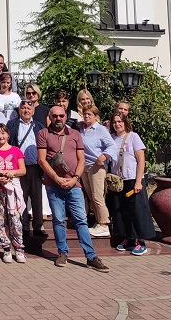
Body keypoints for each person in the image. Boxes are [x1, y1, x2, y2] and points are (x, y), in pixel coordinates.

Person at [37, 106, 109, 272]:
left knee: (81, 220)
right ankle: (62, 253)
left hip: (74, 184)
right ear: (50, 117)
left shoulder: (75, 134)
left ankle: (91, 256)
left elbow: (81, 159)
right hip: (53, 184)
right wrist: (57, 179)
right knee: (58, 220)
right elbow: (42, 160)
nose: (58, 118)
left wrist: (75, 178)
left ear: (65, 117)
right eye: (55, 116)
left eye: (61, 116)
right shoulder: (43, 134)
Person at [106, 112, 155, 256]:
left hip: (132, 179)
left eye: (120, 121)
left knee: (137, 210)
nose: (117, 124)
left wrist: (138, 181)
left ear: (125, 122)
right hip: (117, 181)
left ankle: (141, 242)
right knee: (121, 211)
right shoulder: (112, 138)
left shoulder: (134, 137)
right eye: (114, 122)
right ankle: (129, 238)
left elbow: (141, 160)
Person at [6, 100, 46, 238]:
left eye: (29, 108)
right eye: (23, 108)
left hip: (36, 167)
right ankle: (23, 227)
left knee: (36, 198)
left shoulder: (40, 126)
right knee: (20, 198)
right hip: (19, 167)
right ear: (19, 110)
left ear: (33, 111)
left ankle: (38, 226)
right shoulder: (12, 125)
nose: (26, 111)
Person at [79, 105, 118, 238]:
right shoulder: (82, 129)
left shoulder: (101, 130)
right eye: (85, 114)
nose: (87, 116)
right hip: (84, 166)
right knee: (91, 197)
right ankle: (98, 221)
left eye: (90, 114)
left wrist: (104, 156)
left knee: (98, 196)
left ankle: (104, 224)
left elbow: (112, 145)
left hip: (96, 167)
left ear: (96, 116)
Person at [0, 123, 27, 263]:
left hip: (13, 190)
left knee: (15, 220)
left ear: (8, 135)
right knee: (0, 220)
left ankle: (18, 249)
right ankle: (6, 248)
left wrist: (12, 172)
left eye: (3, 133)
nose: (0, 136)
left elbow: (23, 170)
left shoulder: (16, 150)